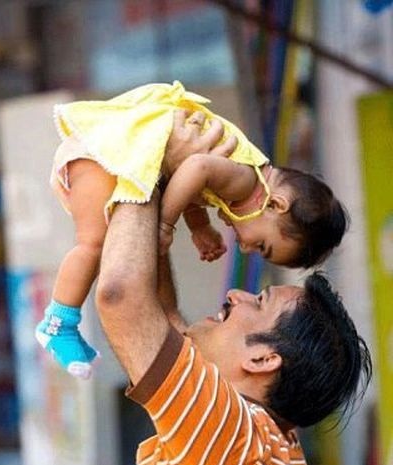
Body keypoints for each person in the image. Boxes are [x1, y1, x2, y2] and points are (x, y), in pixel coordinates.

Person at [94, 118, 372, 465]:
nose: (237, 295)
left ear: (264, 359)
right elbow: (163, 320)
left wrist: (141, 159)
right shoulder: (258, 446)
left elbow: (122, 298)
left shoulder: (233, 438)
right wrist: (159, 182)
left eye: (258, 302)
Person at [36, 81, 347, 379]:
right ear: (276, 204)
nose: (245, 247)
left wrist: (200, 227)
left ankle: (63, 321)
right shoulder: (245, 181)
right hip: (108, 153)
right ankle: (58, 323)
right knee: (94, 245)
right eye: (262, 245)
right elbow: (196, 168)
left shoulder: (241, 180)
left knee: (103, 244)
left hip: (111, 151)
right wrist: (164, 224)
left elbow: (189, 176)